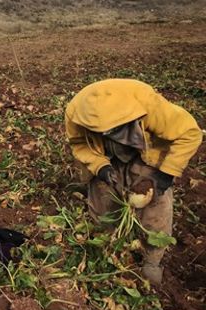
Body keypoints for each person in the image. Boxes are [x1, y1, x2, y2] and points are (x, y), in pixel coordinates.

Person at [65, 78, 202, 284]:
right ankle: (108, 245)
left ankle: (152, 259)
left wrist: (166, 174)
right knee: (103, 195)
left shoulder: (148, 104)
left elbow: (190, 133)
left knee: (155, 203)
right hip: (106, 155)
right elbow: (79, 144)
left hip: (147, 151)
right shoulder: (76, 113)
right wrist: (99, 166)